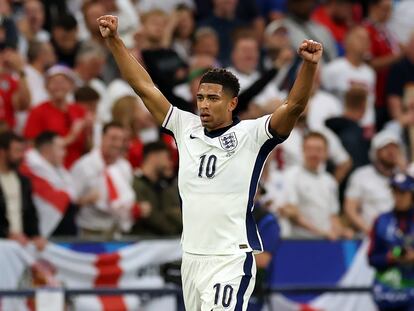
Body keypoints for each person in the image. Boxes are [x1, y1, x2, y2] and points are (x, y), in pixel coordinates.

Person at [98, 14, 322, 309]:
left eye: (213, 98)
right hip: (191, 257)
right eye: (201, 97)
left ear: (232, 103)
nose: (204, 104)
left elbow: (293, 106)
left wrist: (308, 65)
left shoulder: (252, 134)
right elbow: (144, 87)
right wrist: (115, 42)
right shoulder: (184, 125)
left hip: (229, 258)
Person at [71, 122, 149, 239]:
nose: (118, 144)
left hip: (115, 231)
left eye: (122, 140)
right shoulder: (84, 166)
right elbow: (70, 201)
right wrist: (85, 200)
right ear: (101, 138)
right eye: (113, 139)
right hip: (90, 231)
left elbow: (123, 199)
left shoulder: (125, 167)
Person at [280, 132, 350, 239]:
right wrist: (321, 232)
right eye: (309, 149)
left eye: (318, 150)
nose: (314, 154)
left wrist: (341, 231)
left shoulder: (329, 180)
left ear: (326, 153)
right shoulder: (291, 175)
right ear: (302, 150)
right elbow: (292, 214)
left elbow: (333, 216)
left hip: (325, 241)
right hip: (298, 242)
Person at [368, 173, 414, 311]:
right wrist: (389, 258)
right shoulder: (381, 221)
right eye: (395, 192)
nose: (398, 197)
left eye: (402, 193)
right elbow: (372, 258)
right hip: (387, 293)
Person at [345, 131, 405, 235]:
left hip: (402, 239)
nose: (391, 152)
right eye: (386, 148)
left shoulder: (406, 176)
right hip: (370, 238)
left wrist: (404, 170)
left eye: (395, 148)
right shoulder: (361, 175)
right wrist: (371, 232)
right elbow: (350, 209)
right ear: (375, 152)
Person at [0, 131, 46, 250]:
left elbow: (30, 212)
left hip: (22, 244)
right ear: (2, 152)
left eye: (22, 151)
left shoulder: (23, 181)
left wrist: (35, 235)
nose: (21, 156)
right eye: (17, 151)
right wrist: (6, 235)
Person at [131, 141, 181, 236]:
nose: (170, 164)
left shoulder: (164, 186)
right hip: (140, 243)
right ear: (153, 157)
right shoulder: (135, 184)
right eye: (167, 158)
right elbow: (150, 218)